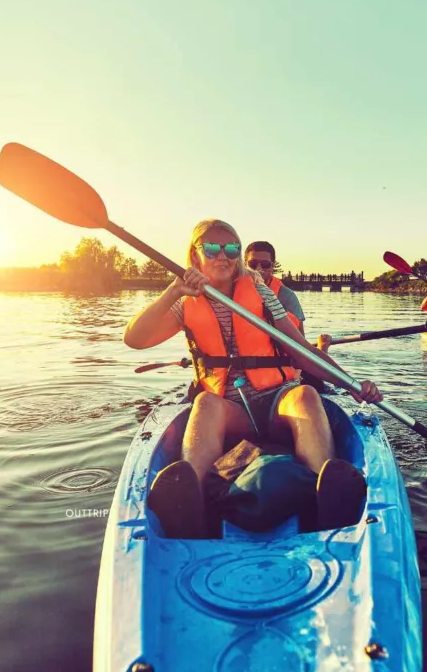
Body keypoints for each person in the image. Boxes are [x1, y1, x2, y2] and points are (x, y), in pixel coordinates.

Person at [123, 219, 381, 538]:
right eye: (212, 248)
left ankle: (323, 492)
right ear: (194, 254)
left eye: (231, 248)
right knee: (204, 403)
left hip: (276, 401)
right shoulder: (183, 301)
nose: (223, 256)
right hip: (232, 411)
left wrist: (351, 385)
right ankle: (193, 501)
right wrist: (173, 290)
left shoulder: (260, 292)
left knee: (305, 397)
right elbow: (135, 339)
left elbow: (302, 351)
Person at [244, 241, 305, 333]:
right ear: (245, 265)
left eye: (265, 264)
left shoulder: (287, 296)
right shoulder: (230, 291)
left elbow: (300, 338)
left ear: (272, 266)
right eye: (253, 264)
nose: (258, 269)